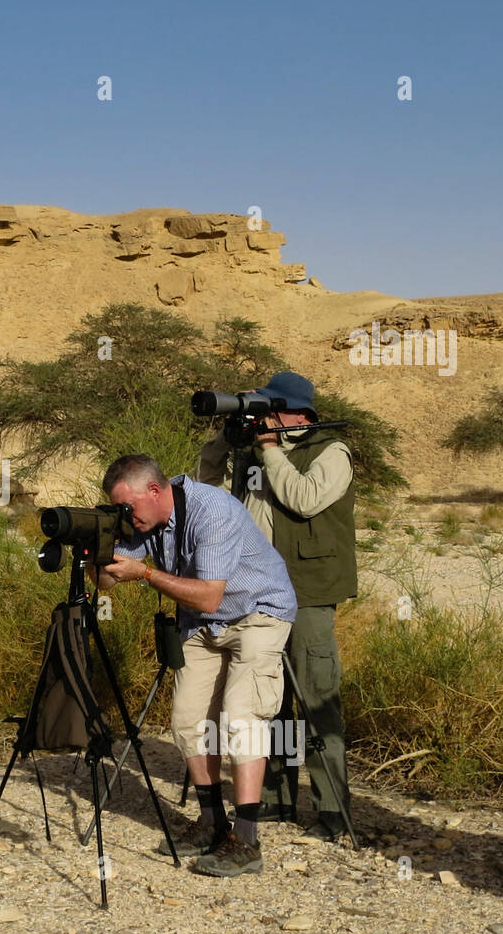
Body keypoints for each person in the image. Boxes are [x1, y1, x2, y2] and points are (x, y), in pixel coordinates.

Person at [98, 454, 296, 878]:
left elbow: (208, 595)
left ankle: (246, 840)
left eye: (127, 508)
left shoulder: (212, 510)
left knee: (242, 717)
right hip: (205, 624)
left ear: (155, 491)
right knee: (188, 720)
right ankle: (211, 822)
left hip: (257, 613)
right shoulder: (145, 521)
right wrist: (95, 548)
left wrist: (146, 573)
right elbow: (109, 580)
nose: (126, 518)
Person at [197, 372, 356, 841]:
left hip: (307, 594)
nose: (261, 418)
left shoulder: (331, 452)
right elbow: (209, 494)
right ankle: (274, 797)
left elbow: (303, 500)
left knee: (317, 699)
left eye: (270, 410)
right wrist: (223, 443)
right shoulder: (252, 452)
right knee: (270, 701)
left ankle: (331, 809)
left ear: (298, 413)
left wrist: (270, 450)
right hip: (259, 594)